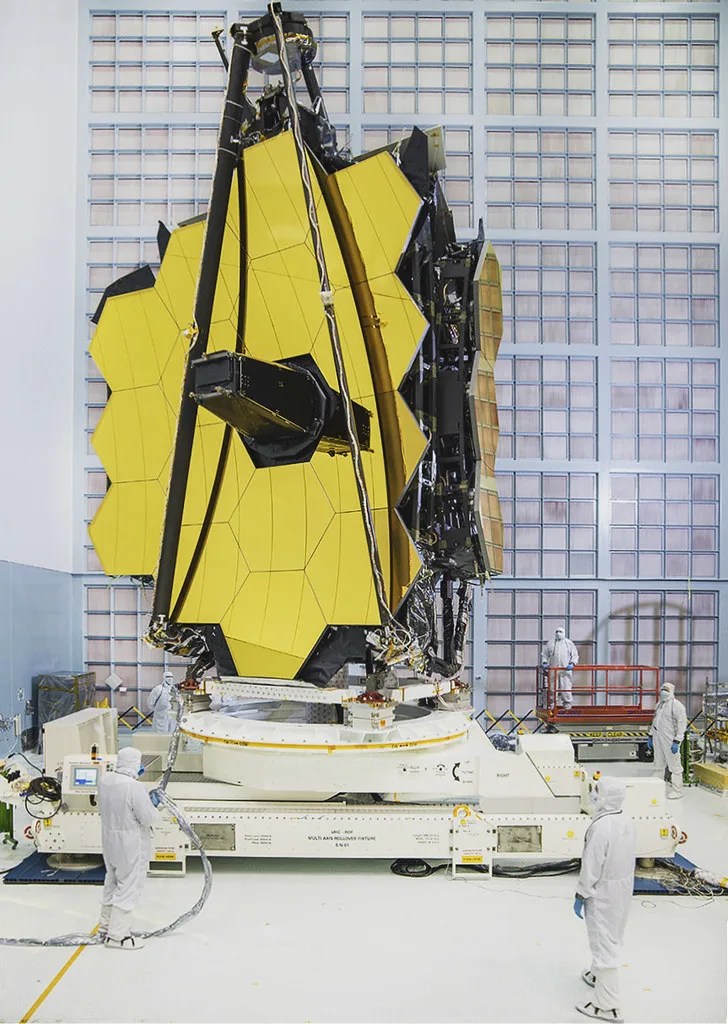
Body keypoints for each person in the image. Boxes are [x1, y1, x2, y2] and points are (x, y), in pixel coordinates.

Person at [573, 777, 636, 1023]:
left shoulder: (602, 826)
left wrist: (582, 892)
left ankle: (607, 1005)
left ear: (607, 797)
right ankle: (597, 974)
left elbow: (592, 864)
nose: (594, 794)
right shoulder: (625, 820)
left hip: (603, 892)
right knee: (613, 932)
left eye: (597, 791)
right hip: (622, 886)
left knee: (603, 941)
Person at [97, 746, 160, 950]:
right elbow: (149, 818)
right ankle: (118, 937)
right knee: (128, 886)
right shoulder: (134, 787)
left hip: (109, 841)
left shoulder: (105, 780)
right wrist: (153, 804)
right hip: (130, 844)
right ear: (135, 764)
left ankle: (105, 928)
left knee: (112, 882)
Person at [648, 681, 687, 800]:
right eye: (662, 689)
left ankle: (678, 790)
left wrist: (677, 740)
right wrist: (650, 735)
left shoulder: (676, 706)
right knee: (658, 764)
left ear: (671, 692)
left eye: (666, 690)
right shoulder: (659, 704)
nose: (663, 692)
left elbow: (682, 724)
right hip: (658, 738)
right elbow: (655, 720)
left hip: (670, 741)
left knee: (674, 766)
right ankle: (657, 787)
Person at [541, 626, 579, 710]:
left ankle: (567, 705)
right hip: (553, 669)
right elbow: (544, 654)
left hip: (565, 669)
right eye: (557, 631)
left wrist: (572, 663)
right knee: (552, 688)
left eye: (560, 632)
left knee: (566, 687)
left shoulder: (569, 643)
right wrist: (544, 662)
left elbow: (575, 655)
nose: (558, 633)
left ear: (564, 633)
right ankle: (551, 705)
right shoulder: (550, 643)